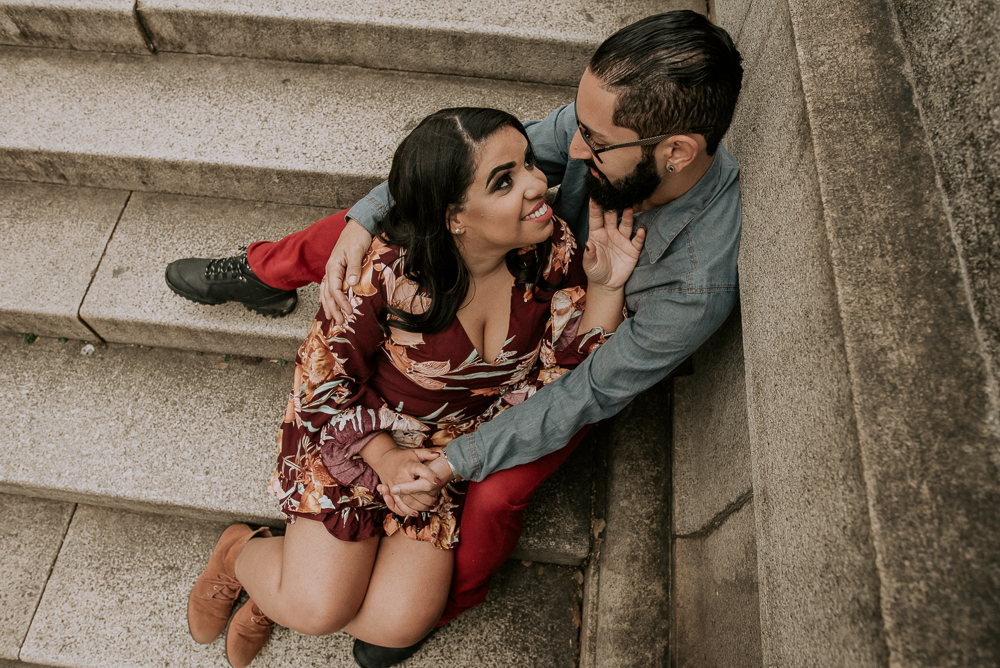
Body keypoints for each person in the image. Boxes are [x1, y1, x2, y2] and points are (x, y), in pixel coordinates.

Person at [168, 10, 743, 667]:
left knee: (488, 503)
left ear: (676, 153)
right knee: (317, 603)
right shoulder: (418, 257)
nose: (567, 156)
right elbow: (452, 168)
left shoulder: (680, 284)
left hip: (534, 381)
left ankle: (430, 600)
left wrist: (603, 291)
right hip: (377, 417)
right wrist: (364, 218)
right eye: (574, 131)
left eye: (594, 142)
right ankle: (264, 279)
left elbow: (580, 388)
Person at [185, 107, 645, 668]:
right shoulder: (384, 273)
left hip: (443, 459)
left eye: (528, 162)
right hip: (360, 439)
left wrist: (606, 289)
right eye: (504, 181)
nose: (536, 183)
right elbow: (321, 382)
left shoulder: (552, 251)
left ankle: (285, 583)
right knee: (317, 611)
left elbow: (563, 376)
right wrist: (384, 457)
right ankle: (244, 556)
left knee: (395, 625)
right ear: (454, 218)